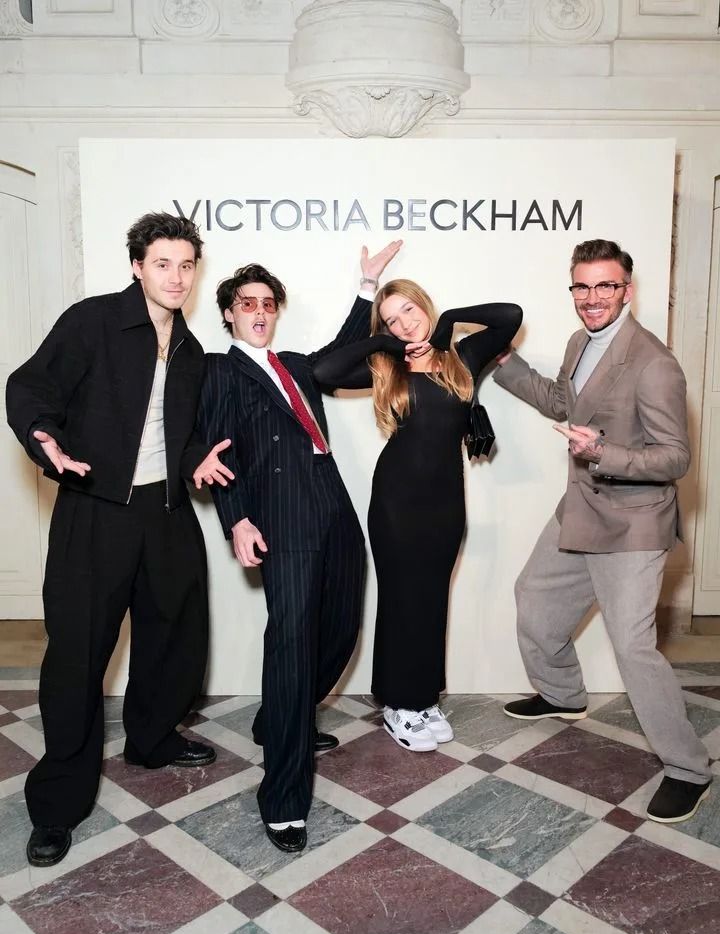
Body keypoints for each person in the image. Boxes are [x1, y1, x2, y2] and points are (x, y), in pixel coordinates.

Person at [6, 211, 232, 867]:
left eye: (186, 265)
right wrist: (44, 438)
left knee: (177, 636)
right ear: (138, 265)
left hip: (165, 513)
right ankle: (55, 805)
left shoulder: (191, 351)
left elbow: (178, 429)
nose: (176, 276)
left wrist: (194, 459)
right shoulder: (93, 322)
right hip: (96, 509)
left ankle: (153, 738)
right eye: (163, 263)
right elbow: (29, 386)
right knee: (76, 659)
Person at [494, 238, 711, 824]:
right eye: (582, 287)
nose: (592, 299)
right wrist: (500, 361)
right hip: (582, 505)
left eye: (606, 286)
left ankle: (689, 768)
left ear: (627, 290)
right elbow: (564, 401)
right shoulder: (579, 342)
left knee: (634, 648)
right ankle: (562, 695)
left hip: (633, 523)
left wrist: (606, 451)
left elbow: (674, 458)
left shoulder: (654, 364)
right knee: (535, 599)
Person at [197, 242, 401, 853]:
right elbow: (216, 456)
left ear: (276, 311)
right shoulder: (220, 372)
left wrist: (366, 289)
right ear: (229, 314)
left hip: (334, 509)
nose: (257, 312)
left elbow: (342, 355)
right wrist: (236, 521)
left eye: (266, 303)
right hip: (280, 521)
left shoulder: (294, 362)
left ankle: (278, 719)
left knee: (340, 626)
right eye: (246, 304)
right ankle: (283, 797)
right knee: (289, 645)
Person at [313, 280, 522, 752]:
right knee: (402, 600)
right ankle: (398, 705)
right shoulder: (386, 367)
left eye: (410, 311)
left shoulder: (462, 356)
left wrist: (448, 323)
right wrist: (387, 343)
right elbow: (323, 370)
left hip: (447, 502)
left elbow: (509, 312)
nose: (405, 323)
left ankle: (423, 698)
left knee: (431, 600)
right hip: (395, 503)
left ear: (425, 307)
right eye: (392, 319)